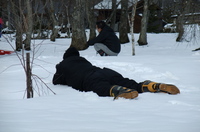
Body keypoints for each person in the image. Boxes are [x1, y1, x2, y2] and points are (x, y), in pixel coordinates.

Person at [52, 47, 180, 100]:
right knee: (129, 83)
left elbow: (55, 81)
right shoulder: (83, 60)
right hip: (105, 71)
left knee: (101, 87)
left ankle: (119, 91)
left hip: (89, 78)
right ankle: (150, 85)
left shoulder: (63, 65)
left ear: (65, 57)